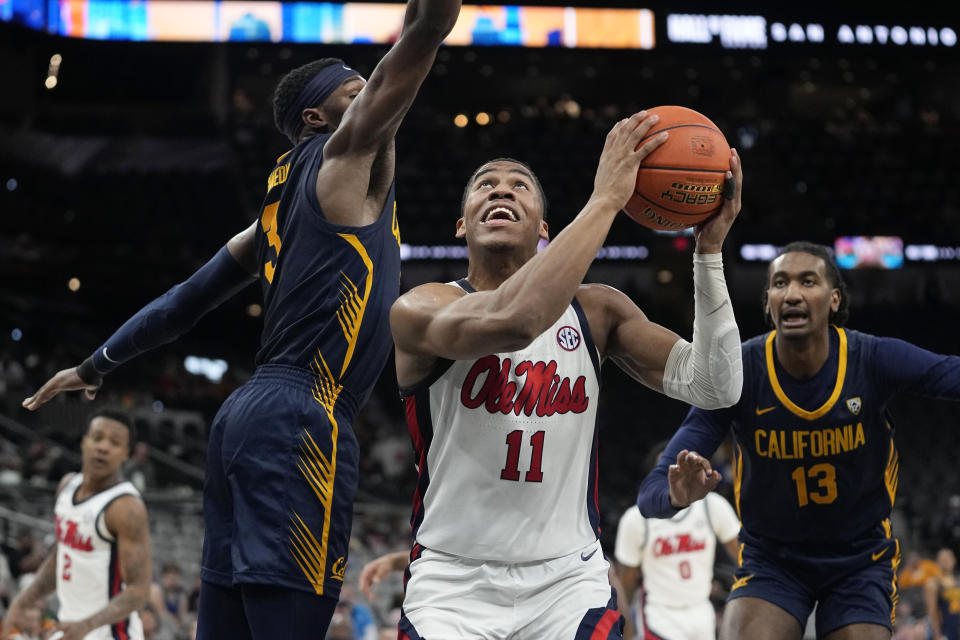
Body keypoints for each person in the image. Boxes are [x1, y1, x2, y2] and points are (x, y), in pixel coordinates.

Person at [20, 1, 461, 637]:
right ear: (319, 117)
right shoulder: (340, 162)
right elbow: (418, 41)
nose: (370, 90)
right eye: (353, 88)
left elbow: (183, 302)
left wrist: (94, 365)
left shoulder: (273, 215)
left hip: (245, 417)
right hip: (305, 413)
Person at [388, 112, 743, 637]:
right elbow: (515, 322)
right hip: (451, 581)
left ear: (543, 229)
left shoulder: (597, 312)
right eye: (485, 185)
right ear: (462, 223)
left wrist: (708, 253)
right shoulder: (422, 307)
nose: (499, 190)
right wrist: (605, 200)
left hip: (566, 581)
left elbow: (716, 386)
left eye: (519, 186)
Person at [638, 241, 960, 640]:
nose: (792, 293)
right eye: (779, 284)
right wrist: (676, 496)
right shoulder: (739, 372)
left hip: (859, 558)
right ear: (768, 302)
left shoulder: (871, 358)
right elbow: (650, 496)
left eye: (808, 281)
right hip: (774, 559)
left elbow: (949, 374)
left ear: (834, 298)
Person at [3, 408, 151, 640]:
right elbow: (61, 556)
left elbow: (139, 591)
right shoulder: (67, 486)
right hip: (71, 626)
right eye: (97, 437)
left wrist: (87, 625)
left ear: (126, 454)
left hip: (111, 632)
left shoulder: (126, 506)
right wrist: (21, 602)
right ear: (84, 442)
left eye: (114, 443)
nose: (103, 447)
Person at [614, 441, 740, 640]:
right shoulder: (636, 519)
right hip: (659, 615)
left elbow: (744, 557)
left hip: (701, 611)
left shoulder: (712, 506)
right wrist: (624, 627)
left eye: (678, 467)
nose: (674, 475)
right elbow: (627, 581)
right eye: (666, 469)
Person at [924, 548, 960, 640]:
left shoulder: (958, 581)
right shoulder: (933, 583)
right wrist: (937, 635)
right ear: (937, 562)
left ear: (954, 560)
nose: (946, 561)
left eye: (948, 558)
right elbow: (932, 612)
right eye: (942, 559)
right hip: (945, 628)